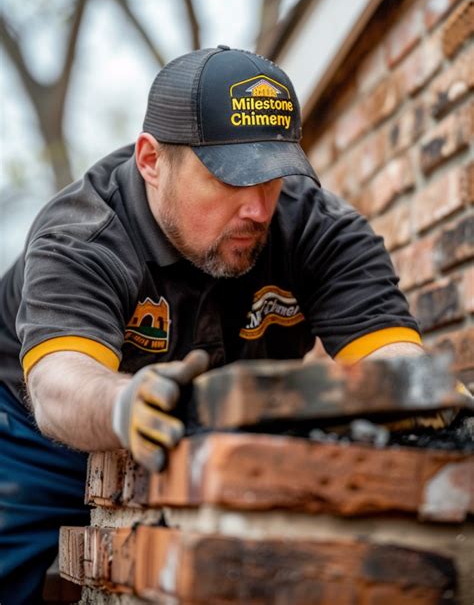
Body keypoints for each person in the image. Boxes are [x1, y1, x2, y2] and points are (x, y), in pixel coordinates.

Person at [0, 45, 423, 603]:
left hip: (218, 444)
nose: (258, 209)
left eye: (272, 178)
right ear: (151, 161)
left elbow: (395, 369)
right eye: (231, 179)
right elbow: (61, 382)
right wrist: (126, 404)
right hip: (37, 444)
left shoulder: (320, 230)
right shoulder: (85, 232)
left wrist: (427, 400)